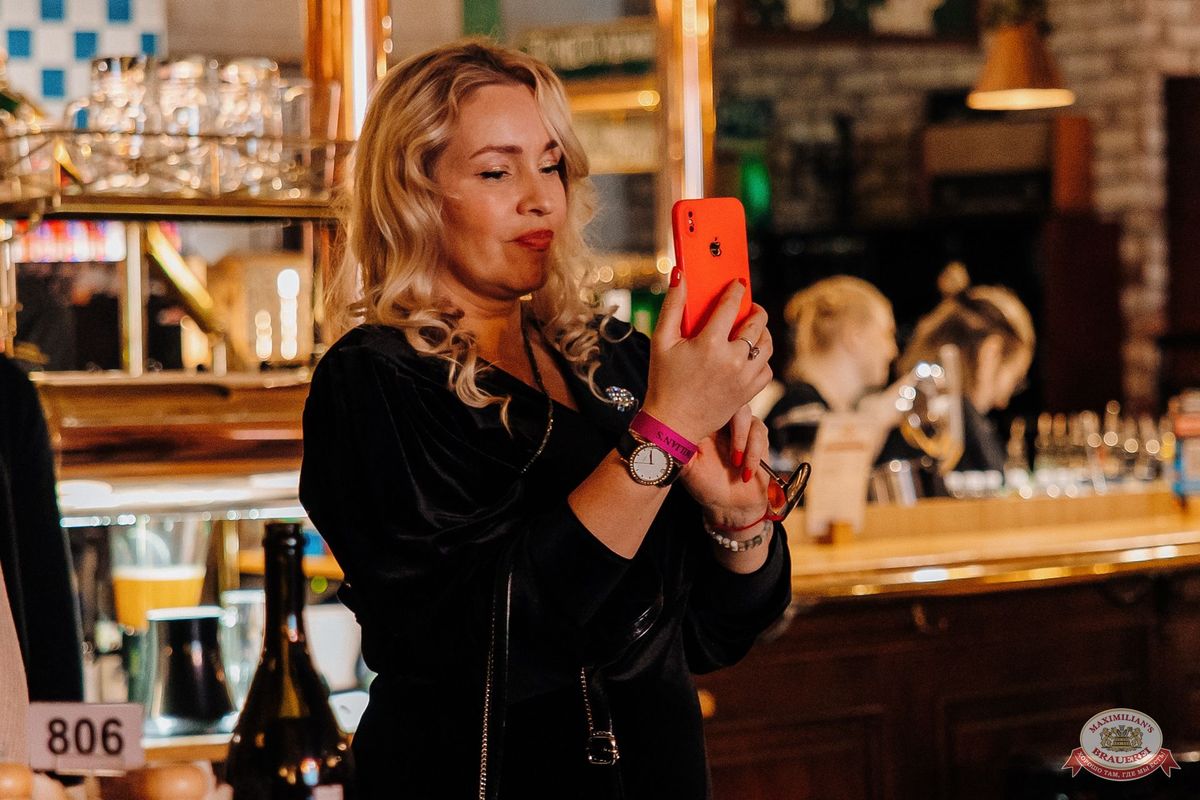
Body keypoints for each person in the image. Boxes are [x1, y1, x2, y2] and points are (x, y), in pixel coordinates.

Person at [299, 40, 792, 799]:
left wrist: (738, 521)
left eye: (552, 164)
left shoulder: (617, 359)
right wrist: (661, 434)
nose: (541, 199)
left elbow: (707, 635)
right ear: (412, 194)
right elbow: (489, 644)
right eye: (497, 172)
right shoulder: (373, 380)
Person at [890, 263, 1035, 474]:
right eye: (1015, 381)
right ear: (990, 353)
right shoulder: (954, 428)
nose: (1003, 402)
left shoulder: (908, 404)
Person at [763, 275, 898, 468]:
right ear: (855, 336)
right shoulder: (800, 406)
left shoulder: (815, 406)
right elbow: (827, 479)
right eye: (887, 334)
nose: (892, 351)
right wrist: (881, 417)